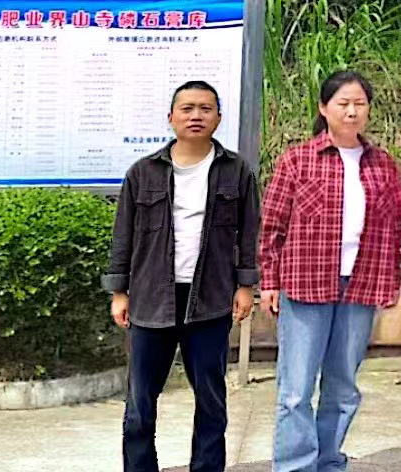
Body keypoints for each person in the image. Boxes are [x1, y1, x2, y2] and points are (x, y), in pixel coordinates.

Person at [101, 80, 260, 472]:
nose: (196, 116)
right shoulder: (143, 173)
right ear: (171, 117)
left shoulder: (236, 171)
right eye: (187, 108)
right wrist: (119, 291)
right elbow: (123, 234)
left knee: (211, 400)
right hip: (151, 298)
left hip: (211, 299)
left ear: (218, 118)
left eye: (205, 109)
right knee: (140, 403)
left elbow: (249, 231)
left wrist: (246, 285)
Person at [258, 71, 401, 472]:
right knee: (296, 389)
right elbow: (273, 226)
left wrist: (392, 280)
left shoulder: (382, 165)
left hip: (361, 285)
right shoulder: (297, 159)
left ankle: (327, 461)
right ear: (324, 108)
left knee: (342, 387)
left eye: (359, 103)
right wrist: (269, 281)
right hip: (305, 284)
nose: (352, 111)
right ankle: (295, 466)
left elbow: (397, 227)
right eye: (343, 103)